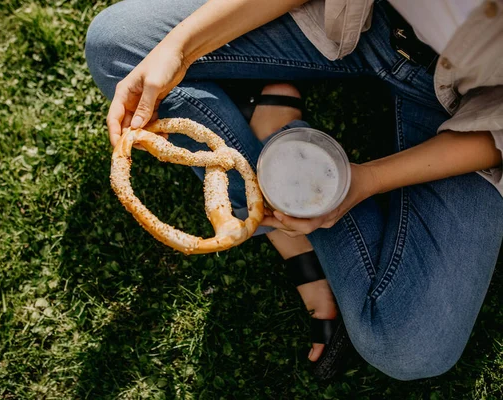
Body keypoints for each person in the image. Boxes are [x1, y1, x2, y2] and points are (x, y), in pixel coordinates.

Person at [85, 0, 503, 381]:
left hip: (473, 111)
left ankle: (282, 146)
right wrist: (180, 47)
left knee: (412, 347)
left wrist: (367, 180)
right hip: (358, 22)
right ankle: (290, 227)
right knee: (117, 44)